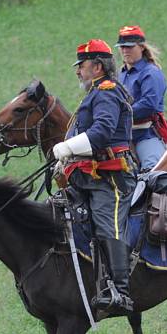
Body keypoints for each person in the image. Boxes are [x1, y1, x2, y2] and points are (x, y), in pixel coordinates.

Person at [53, 39, 137, 314]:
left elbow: (101, 134)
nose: (77, 71)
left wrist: (66, 148)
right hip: (89, 176)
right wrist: (66, 159)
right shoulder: (94, 93)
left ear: (97, 66)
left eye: (82, 65)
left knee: (106, 223)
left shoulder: (107, 93)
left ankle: (121, 292)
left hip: (111, 180)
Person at [116, 25, 167, 171]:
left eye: (129, 46)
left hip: (145, 134)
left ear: (141, 47)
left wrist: (120, 113)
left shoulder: (151, 73)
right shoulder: (119, 75)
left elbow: (148, 104)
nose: (125, 50)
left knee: (153, 171)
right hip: (120, 136)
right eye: (122, 47)